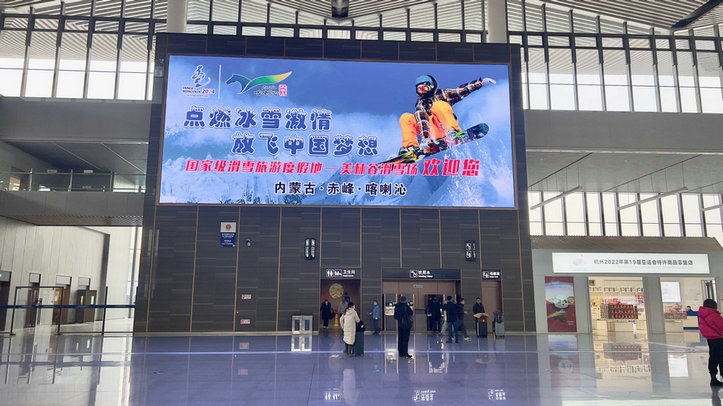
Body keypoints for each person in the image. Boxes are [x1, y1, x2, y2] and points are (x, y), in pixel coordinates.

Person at [397, 74, 496, 159]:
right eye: (419, 90)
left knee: (438, 105)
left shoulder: (443, 94)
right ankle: (410, 147)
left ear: (431, 86)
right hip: (431, 134)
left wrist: (480, 83)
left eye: (424, 88)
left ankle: (452, 132)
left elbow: (461, 91)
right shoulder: (420, 104)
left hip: (445, 127)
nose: (422, 92)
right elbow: (422, 121)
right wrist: (425, 138)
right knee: (406, 117)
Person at [698, 299, 723, 386]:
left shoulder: (703, 314)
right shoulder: (712, 314)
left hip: (711, 338)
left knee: (713, 357)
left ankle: (713, 377)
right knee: (721, 357)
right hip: (719, 338)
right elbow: (721, 325)